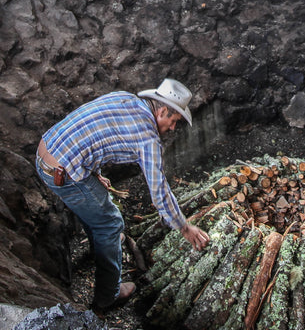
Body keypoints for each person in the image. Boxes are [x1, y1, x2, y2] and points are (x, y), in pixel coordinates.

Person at [34, 79, 210, 311]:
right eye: (173, 121)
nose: (173, 128)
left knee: (98, 210)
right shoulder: (148, 139)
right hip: (62, 172)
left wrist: (94, 173)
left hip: (47, 149)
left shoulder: (124, 97)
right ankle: (108, 296)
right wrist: (185, 228)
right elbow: (160, 192)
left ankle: (99, 250)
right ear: (163, 110)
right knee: (111, 223)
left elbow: (90, 128)